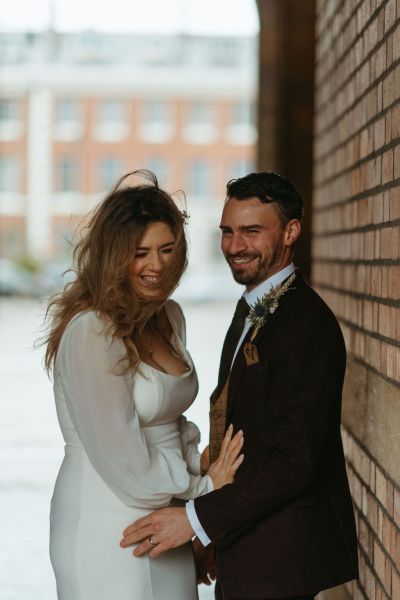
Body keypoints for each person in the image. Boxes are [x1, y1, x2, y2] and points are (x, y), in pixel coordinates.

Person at [120, 171, 359, 600]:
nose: (234, 246)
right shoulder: (251, 307)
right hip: (245, 543)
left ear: (291, 232)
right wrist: (216, 536)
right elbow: (242, 430)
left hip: (281, 556)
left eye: (251, 231)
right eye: (227, 231)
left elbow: (293, 461)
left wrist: (195, 519)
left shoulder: (307, 324)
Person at [44, 170, 244, 600]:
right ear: (114, 256)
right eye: (140, 253)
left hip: (167, 512)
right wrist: (204, 492)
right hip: (108, 517)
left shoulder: (170, 316)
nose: (156, 266)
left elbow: (172, 422)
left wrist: (198, 466)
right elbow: (123, 458)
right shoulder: (92, 331)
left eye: (167, 250)